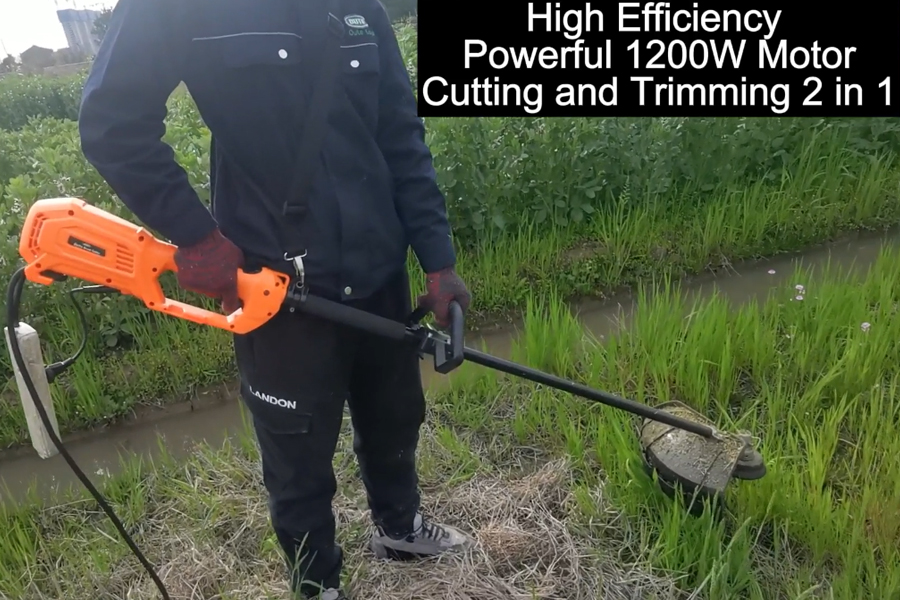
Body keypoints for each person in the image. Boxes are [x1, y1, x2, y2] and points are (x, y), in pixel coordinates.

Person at [77, 0, 473, 598]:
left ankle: (400, 529)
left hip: (379, 275)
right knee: (297, 456)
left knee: (396, 415)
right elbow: (112, 122)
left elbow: (400, 135)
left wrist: (438, 260)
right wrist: (195, 233)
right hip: (278, 292)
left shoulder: (360, 9)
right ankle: (317, 584)